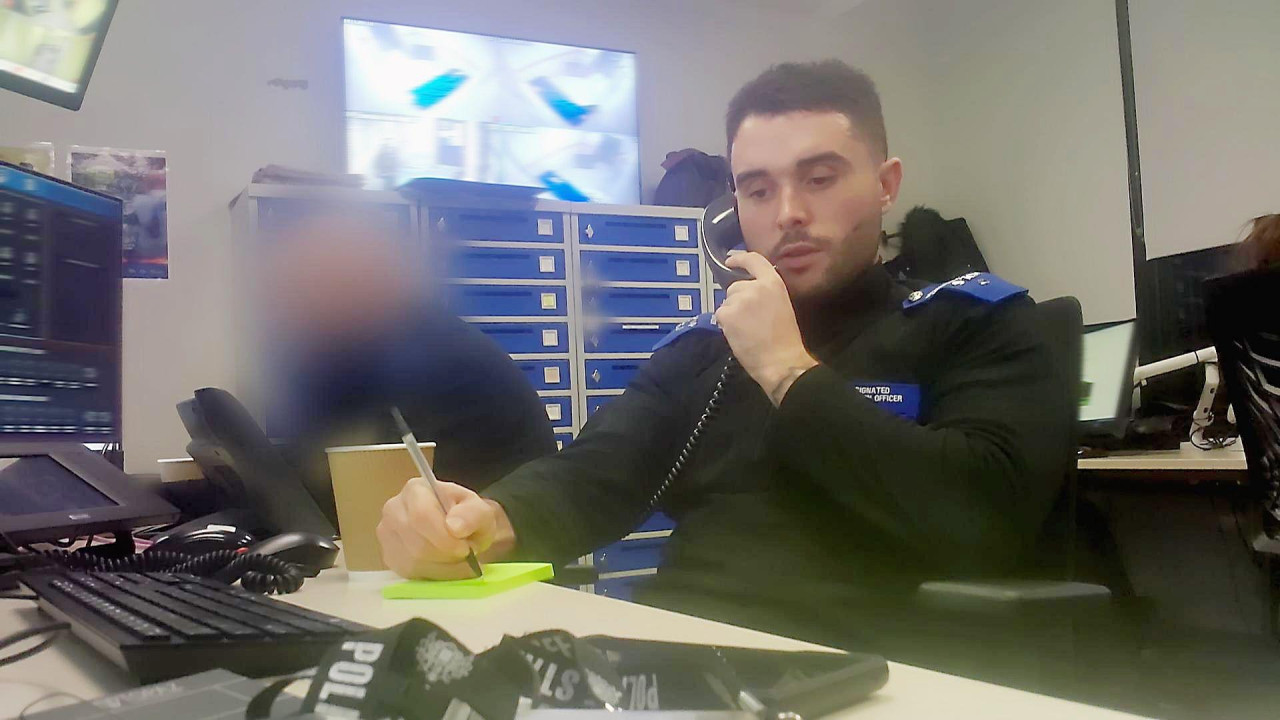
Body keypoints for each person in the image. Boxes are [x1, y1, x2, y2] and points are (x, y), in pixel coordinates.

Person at [376, 60, 1070, 650]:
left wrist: (788, 372)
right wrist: (483, 522)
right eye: (758, 189)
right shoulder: (705, 350)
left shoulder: (974, 323)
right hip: (681, 660)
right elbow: (595, 473)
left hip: (878, 668)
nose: (788, 211)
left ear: (886, 184)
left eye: (820, 178)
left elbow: (983, 518)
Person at [260, 216, 556, 515]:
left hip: (499, 543)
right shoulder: (359, 352)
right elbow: (319, 450)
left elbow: (362, 477)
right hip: (436, 531)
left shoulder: (436, 357)